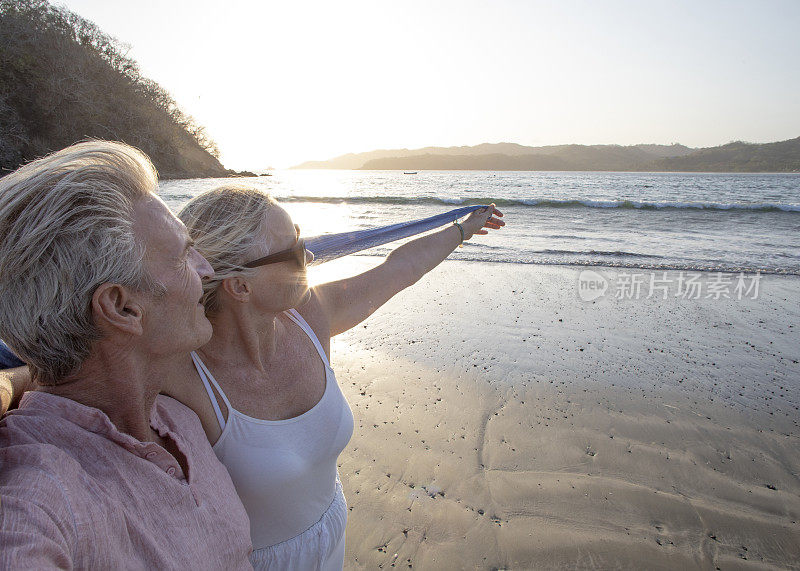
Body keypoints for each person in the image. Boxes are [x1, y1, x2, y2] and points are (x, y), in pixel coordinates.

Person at [159, 185, 504, 569]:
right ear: (240, 285)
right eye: (292, 251)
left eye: (302, 239)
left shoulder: (310, 317)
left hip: (332, 535)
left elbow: (399, 269)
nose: (307, 255)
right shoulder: (182, 378)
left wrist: (461, 229)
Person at [0, 141, 253, 568]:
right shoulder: (44, 493)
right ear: (122, 307)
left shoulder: (178, 418)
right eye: (182, 256)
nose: (207, 269)